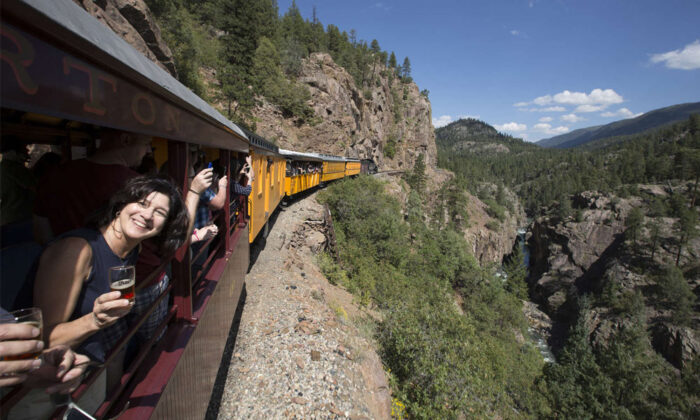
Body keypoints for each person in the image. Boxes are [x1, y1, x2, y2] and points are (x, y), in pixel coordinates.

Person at [31, 176, 188, 364]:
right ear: (121, 205)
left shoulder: (132, 249)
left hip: (90, 359)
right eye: (141, 203)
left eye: (159, 212)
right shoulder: (76, 251)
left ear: (164, 227)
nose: (147, 215)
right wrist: (95, 321)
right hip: (55, 373)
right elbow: (42, 339)